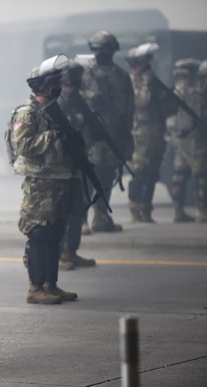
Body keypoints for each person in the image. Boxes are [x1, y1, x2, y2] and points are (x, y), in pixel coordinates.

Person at [9, 55, 78, 304]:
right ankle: (35, 288)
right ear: (45, 86)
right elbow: (25, 146)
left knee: (56, 232)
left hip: (60, 180)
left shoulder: (53, 110)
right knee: (39, 233)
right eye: (56, 82)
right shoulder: (27, 113)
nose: (60, 86)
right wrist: (53, 136)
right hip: (40, 183)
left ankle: (51, 284)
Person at [80, 30, 135, 232]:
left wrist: (125, 133)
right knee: (87, 177)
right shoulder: (85, 76)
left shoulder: (122, 76)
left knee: (106, 178)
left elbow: (130, 106)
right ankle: (82, 219)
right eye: (99, 49)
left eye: (106, 49)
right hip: (90, 137)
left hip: (113, 136)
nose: (102, 52)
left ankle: (100, 217)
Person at [125, 43, 179, 223]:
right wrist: (148, 84)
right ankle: (135, 209)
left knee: (153, 173)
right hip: (139, 134)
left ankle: (146, 208)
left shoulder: (154, 82)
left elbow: (169, 107)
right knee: (138, 172)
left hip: (156, 133)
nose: (147, 67)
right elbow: (142, 101)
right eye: (143, 64)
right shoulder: (132, 83)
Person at [57, 59, 97, 270]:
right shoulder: (60, 101)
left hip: (78, 162)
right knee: (64, 212)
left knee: (77, 209)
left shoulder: (74, 99)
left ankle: (71, 251)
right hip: (64, 166)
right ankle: (62, 254)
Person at [168, 58, 207, 223]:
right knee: (202, 175)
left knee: (179, 175)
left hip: (177, 139)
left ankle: (177, 211)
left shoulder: (173, 92)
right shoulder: (193, 94)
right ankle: (202, 211)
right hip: (194, 139)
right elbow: (199, 116)